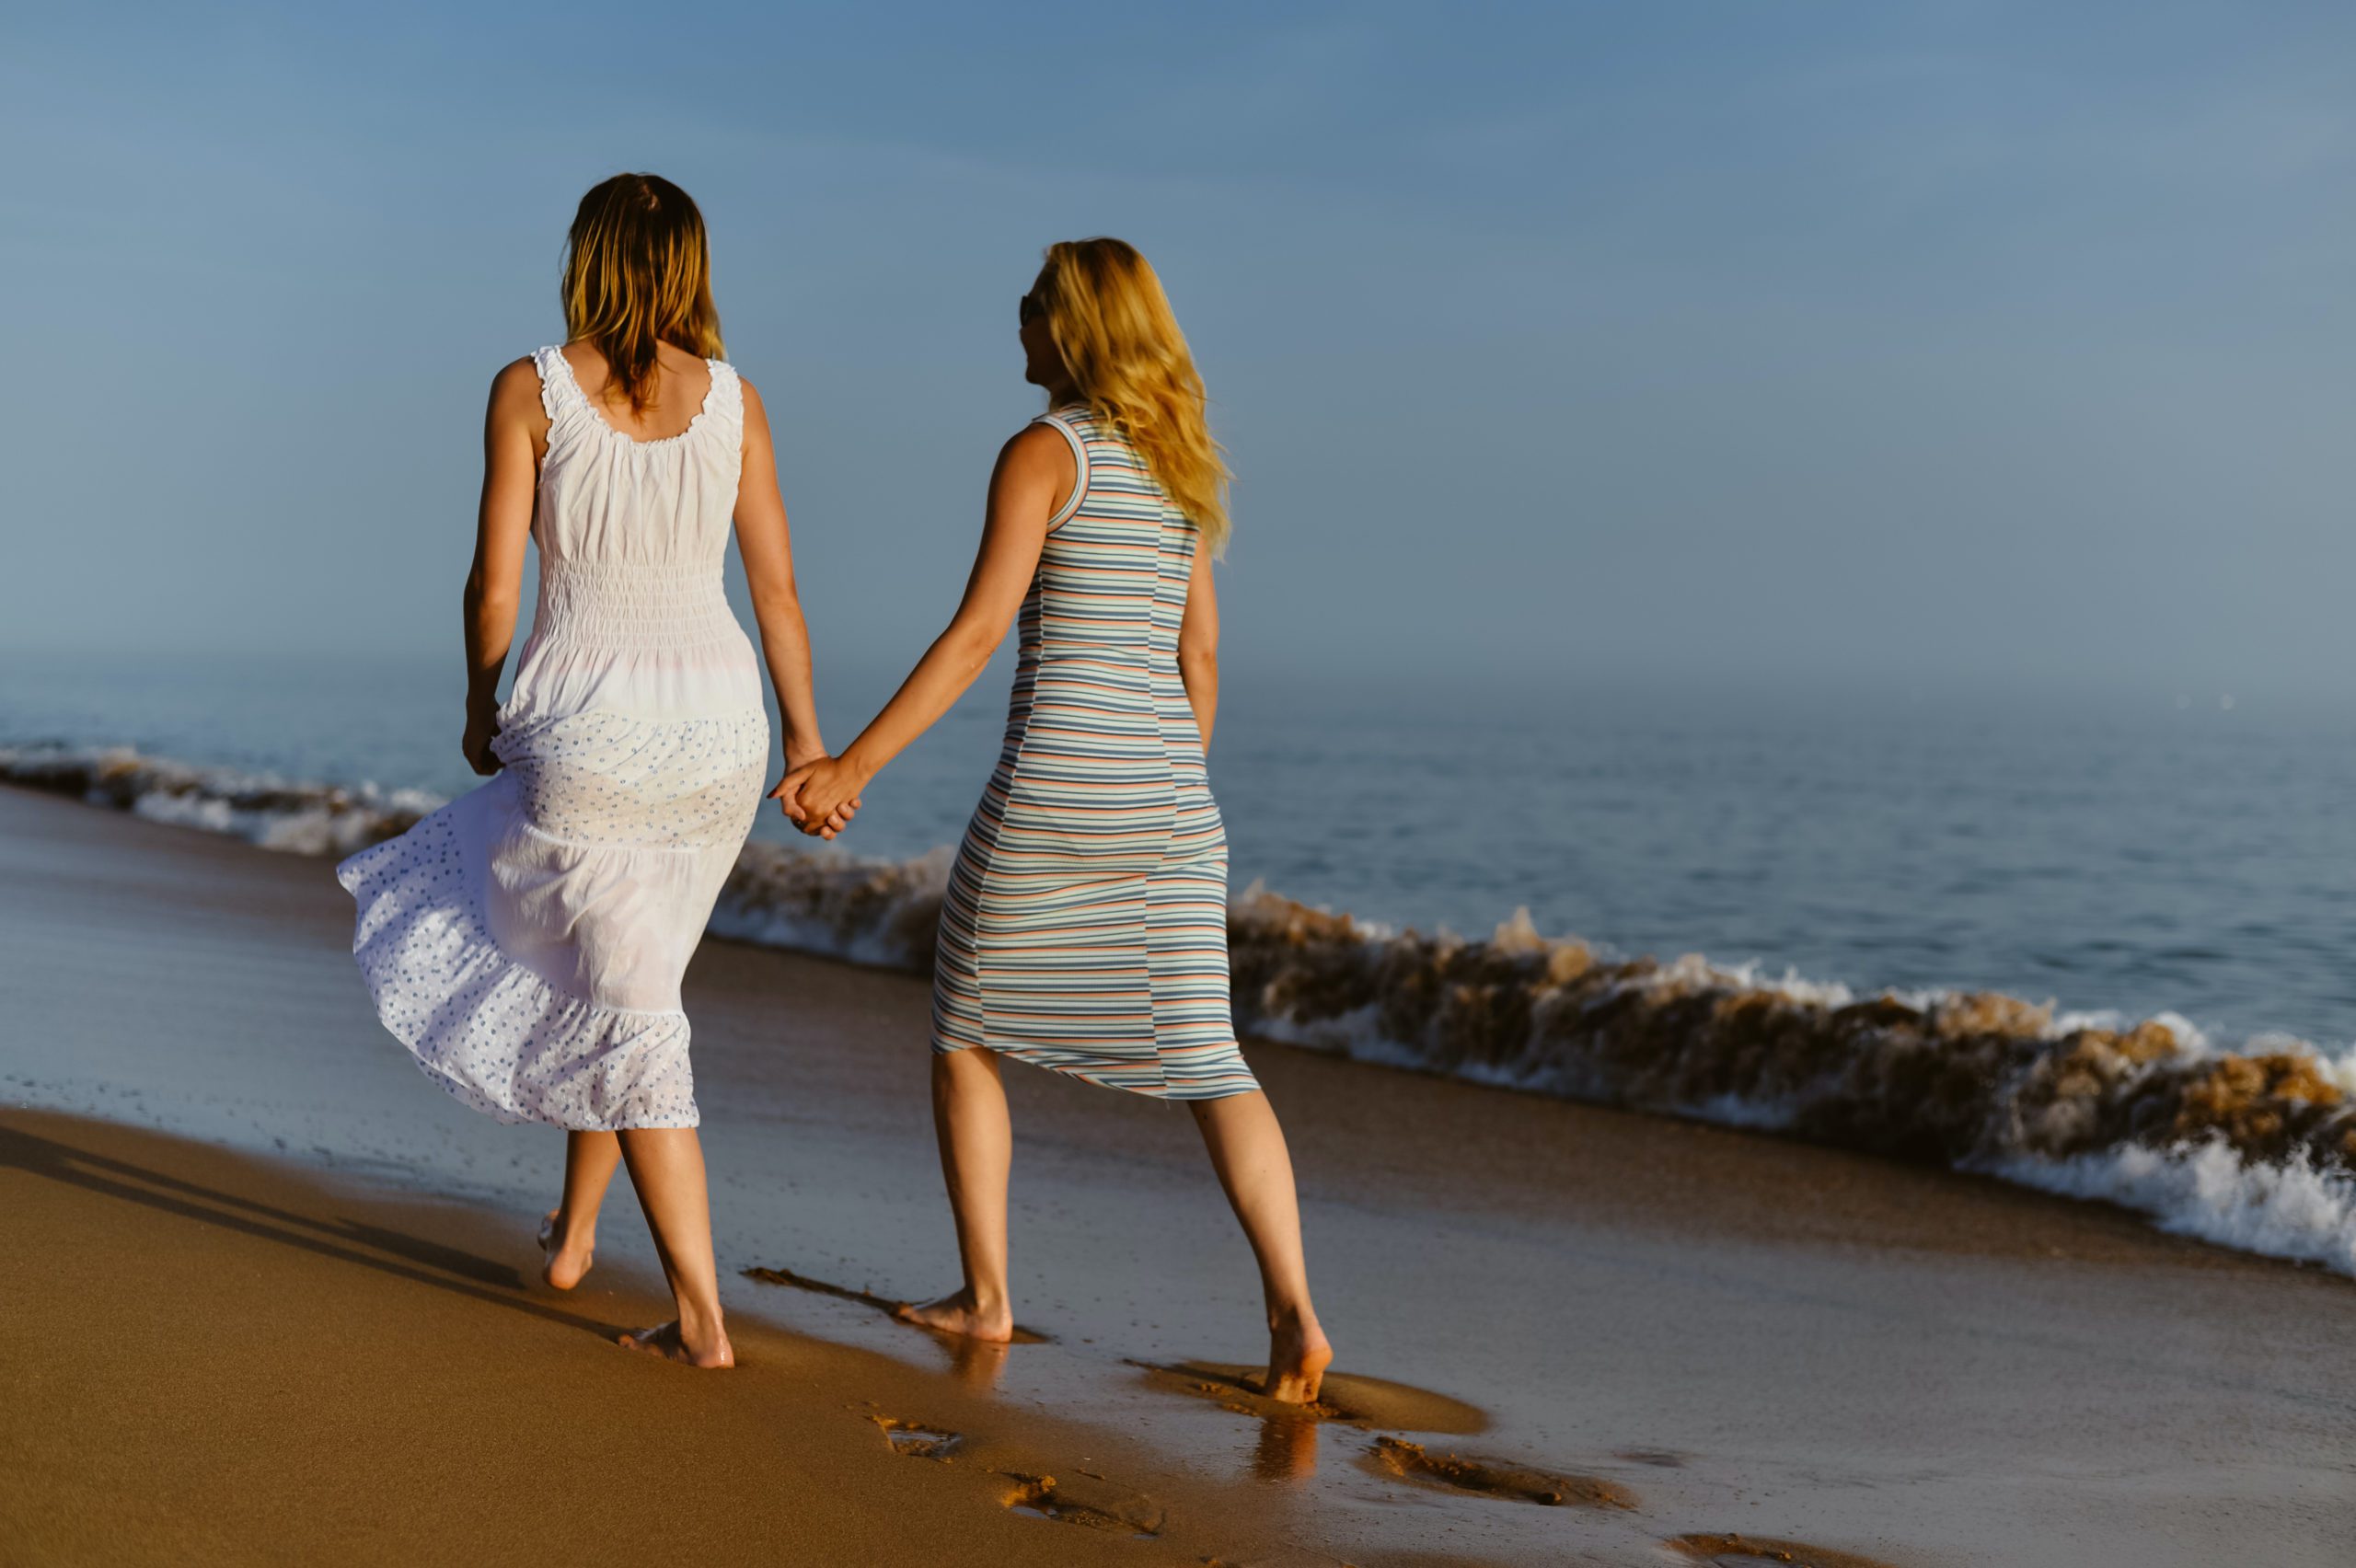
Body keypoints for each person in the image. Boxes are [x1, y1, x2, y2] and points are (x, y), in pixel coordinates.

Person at [777, 238, 1331, 1401]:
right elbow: (1200, 658)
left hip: (1053, 789)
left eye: (1033, 304)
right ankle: (1294, 1312)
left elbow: (980, 633)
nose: (1017, 319)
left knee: (963, 1027)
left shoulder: (1045, 452)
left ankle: (987, 1299)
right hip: (1173, 801)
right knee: (1210, 1059)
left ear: (1073, 326)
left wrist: (849, 766)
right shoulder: (1179, 467)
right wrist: (1162, 788)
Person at [336, 173, 849, 1368]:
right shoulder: (736, 401)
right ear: (691, 266)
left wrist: (480, 703)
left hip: (588, 720)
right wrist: (809, 743)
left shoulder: (531, 388)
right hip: (720, 734)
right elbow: (777, 592)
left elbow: (494, 585)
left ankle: (703, 1320)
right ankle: (573, 1236)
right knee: (623, 974)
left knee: (627, 997)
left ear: (587, 258)